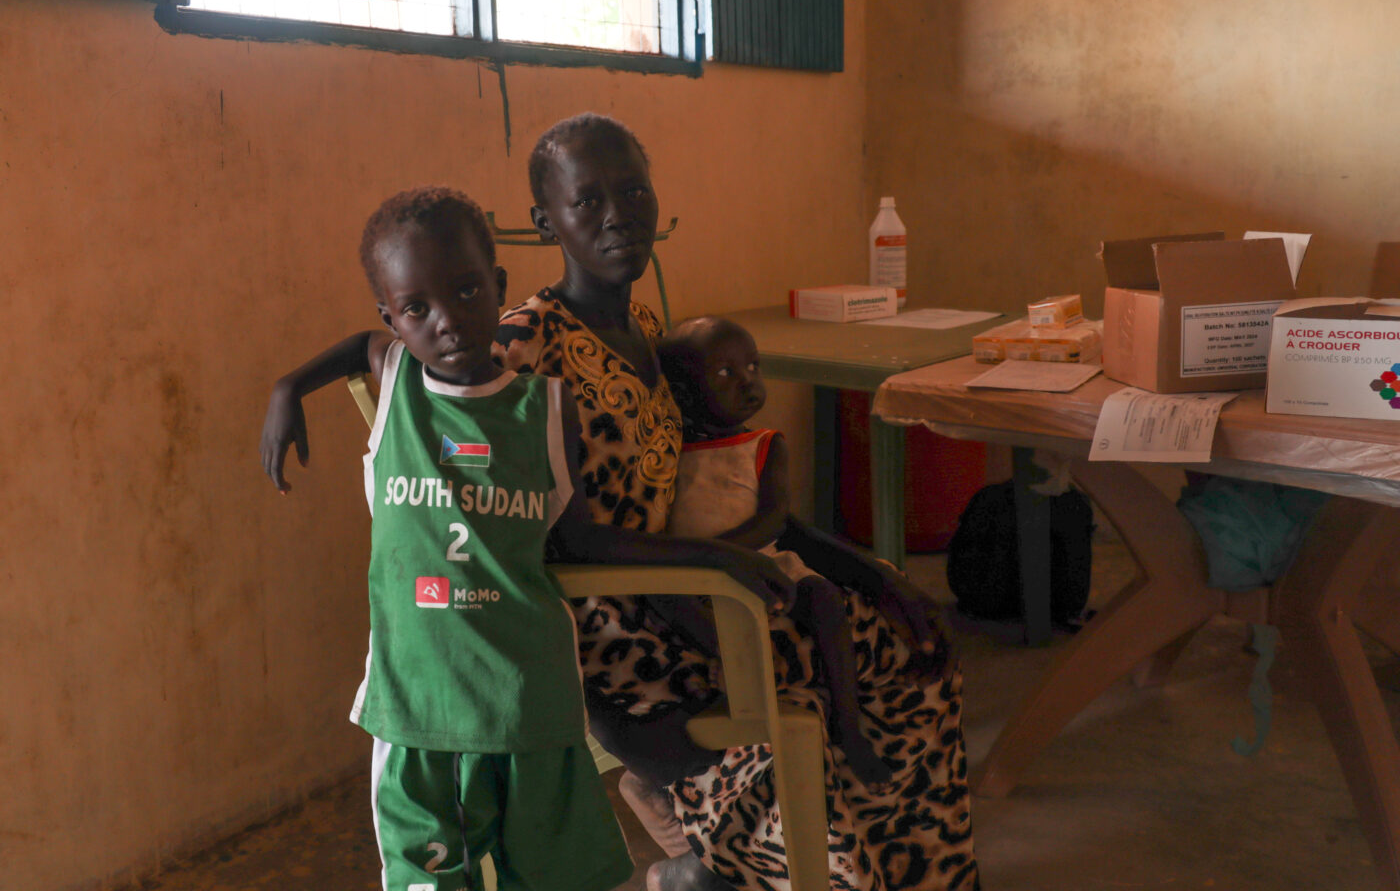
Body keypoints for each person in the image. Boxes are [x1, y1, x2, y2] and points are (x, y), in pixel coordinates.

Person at [496, 112, 979, 891]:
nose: (618, 216)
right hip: (615, 628)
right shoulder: (526, 340)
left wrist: (871, 570)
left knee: (913, 641)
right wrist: (719, 563)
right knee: (837, 671)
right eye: (588, 201)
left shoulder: (646, 326)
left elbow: (714, 484)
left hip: (698, 586)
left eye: (634, 193)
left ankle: (913, 874)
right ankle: (748, 869)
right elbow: (560, 537)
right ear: (544, 219)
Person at [259, 187, 789, 891]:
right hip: (418, 708)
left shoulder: (545, 409)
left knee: (551, 879)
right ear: (393, 317)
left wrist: (717, 555)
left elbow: (582, 544)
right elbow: (360, 348)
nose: (446, 321)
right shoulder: (396, 385)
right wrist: (286, 388)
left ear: (499, 288)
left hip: (531, 702)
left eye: (468, 290)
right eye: (417, 309)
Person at [655, 315, 893, 787]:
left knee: (823, 598)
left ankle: (847, 722)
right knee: (669, 603)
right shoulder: (666, 450)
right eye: (725, 373)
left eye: (753, 367)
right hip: (693, 572)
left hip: (760, 560)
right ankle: (736, 697)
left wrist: (716, 553)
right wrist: (698, 562)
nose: (748, 382)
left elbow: (773, 520)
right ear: (681, 391)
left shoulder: (764, 445)